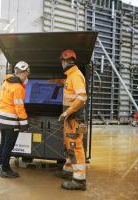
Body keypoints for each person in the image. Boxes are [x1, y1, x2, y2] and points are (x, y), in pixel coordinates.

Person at [56, 49, 88, 190]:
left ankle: (79, 180)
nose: (61, 64)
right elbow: (71, 88)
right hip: (69, 119)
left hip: (73, 118)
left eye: (62, 61)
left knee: (75, 147)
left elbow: (81, 97)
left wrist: (67, 112)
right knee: (68, 145)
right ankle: (68, 171)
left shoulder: (75, 76)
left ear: (65, 61)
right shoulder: (71, 76)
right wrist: (58, 81)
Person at [0, 61, 30, 178]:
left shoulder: (6, 82)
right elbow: (19, 108)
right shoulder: (18, 88)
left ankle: (1, 164)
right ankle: (5, 169)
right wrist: (25, 124)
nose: (27, 76)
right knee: (8, 145)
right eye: (26, 73)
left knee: (3, 142)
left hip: (1, 119)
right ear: (23, 73)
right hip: (11, 121)